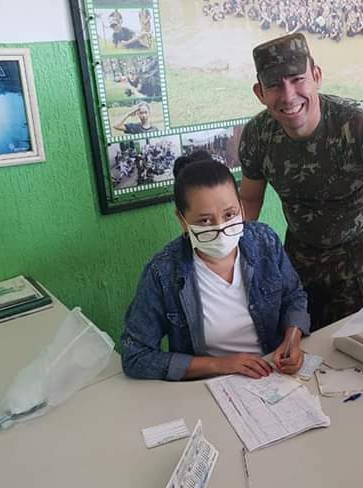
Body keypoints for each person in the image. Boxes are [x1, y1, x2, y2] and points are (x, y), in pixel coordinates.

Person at [239, 32, 363, 331]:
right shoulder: (257, 136)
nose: (288, 96)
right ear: (259, 92)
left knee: (352, 344)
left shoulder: (360, 127)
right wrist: (231, 252)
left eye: (297, 79)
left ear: (316, 76)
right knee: (296, 340)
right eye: (274, 84)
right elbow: (250, 200)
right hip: (298, 256)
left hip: (355, 262)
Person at [121, 151, 310, 381]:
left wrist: (292, 340)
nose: (221, 229)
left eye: (230, 214)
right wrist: (220, 365)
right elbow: (135, 356)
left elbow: (294, 297)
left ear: (241, 206)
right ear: (182, 220)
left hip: (273, 374)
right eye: (205, 221)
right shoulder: (163, 273)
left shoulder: (264, 242)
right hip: (209, 386)